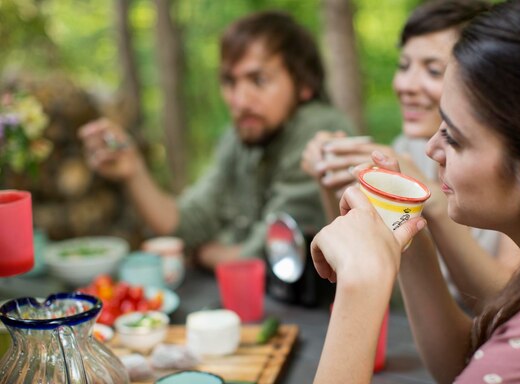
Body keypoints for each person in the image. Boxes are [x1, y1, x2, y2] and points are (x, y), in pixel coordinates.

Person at [305, 0, 520, 384]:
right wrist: (406, 218)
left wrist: (360, 288)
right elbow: (472, 371)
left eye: (454, 138)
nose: (431, 149)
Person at [79, 11, 354, 270]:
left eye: (258, 80)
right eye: (230, 82)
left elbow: (268, 256)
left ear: (304, 85)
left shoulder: (320, 130)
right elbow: (186, 222)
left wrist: (208, 254)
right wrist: (133, 170)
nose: (240, 100)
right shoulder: (240, 137)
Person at [301, 0, 520, 310]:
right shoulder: (407, 149)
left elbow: (510, 299)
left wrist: (431, 200)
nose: (405, 85)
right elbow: (375, 278)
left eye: (433, 70)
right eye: (404, 66)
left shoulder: (513, 164)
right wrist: (331, 177)